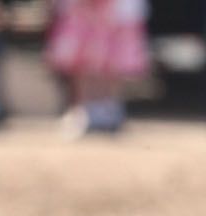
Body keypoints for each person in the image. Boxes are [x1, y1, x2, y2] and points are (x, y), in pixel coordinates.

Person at [46, 0, 151, 134]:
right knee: (84, 63)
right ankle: (85, 109)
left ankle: (109, 109)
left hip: (116, 13)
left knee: (112, 62)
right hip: (81, 12)